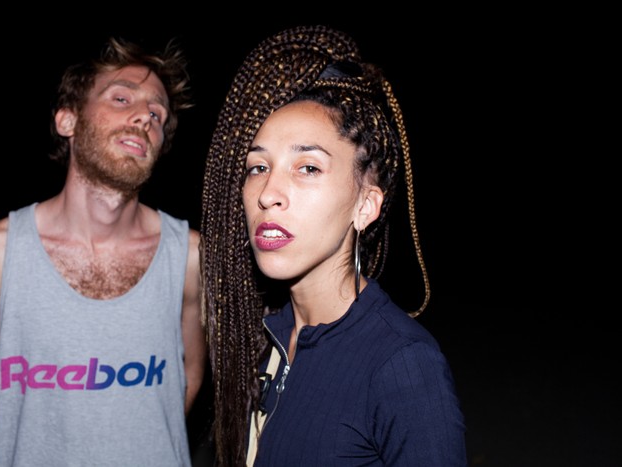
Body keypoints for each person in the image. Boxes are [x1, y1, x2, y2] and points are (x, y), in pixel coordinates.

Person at [200, 25, 467, 466]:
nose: (268, 193)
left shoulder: (402, 365)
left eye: (307, 167)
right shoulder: (263, 336)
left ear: (365, 205)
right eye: (257, 167)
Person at [0, 36, 207, 467]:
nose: (145, 116)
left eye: (157, 114)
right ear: (68, 120)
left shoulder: (192, 259)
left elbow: (189, 375)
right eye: (122, 98)